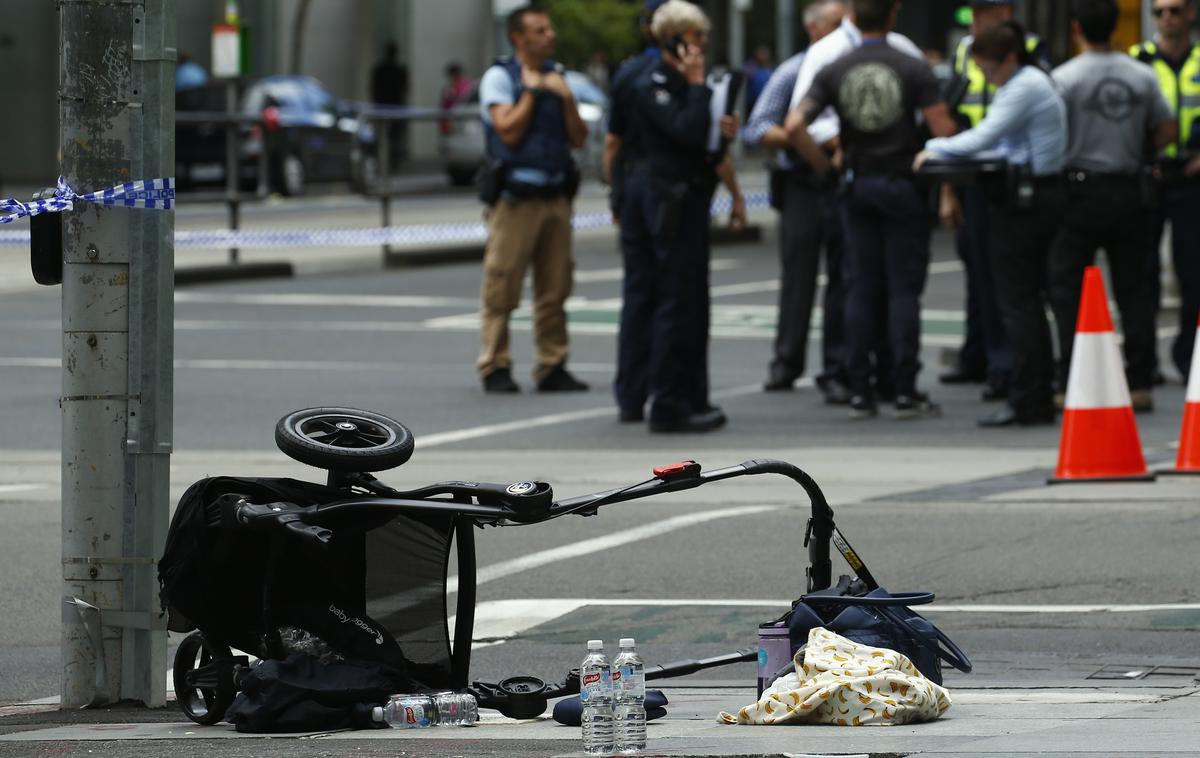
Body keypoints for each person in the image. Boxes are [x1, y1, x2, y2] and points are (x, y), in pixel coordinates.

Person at [788, 0, 958, 420]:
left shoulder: (836, 67)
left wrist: (827, 166)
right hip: (902, 184)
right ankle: (903, 387)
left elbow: (794, 126)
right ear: (894, 15)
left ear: (852, 18)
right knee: (902, 290)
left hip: (858, 185)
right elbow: (943, 132)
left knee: (860, 288)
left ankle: (859, 387)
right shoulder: (912, 65)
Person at [917, 20, 1068, 427]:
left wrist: (932, 148)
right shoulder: (1030, 82)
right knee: (1028, 303)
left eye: (988, 69)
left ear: (1009, 58)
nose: (986, 77)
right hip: (1036, 195)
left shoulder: (1023, 86)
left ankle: (1028, 399)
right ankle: (1035, 393)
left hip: (1028, 203)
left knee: (1018, 303)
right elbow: (1003, 144)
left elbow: (983, 137)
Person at [609, 0, 745, 425]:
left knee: (655, 297)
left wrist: (719, 129)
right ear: (673, 39)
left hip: (656, 193)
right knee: (675, 298)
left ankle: (652, 395)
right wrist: (700, 86)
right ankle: (669, 402)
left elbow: (699, 139)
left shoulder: (651, 77)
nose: (703, 44)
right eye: (696, 36)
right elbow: (682, 130)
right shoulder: (654, 80)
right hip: (665, 196)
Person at [1049, 0, 1177, 413]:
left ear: (1076, 29)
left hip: (1079, 191)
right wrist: (1137, 148)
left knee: (1069, 291)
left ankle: (1071, 379)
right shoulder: (1140, 76)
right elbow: (1167, 129)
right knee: (1135, 290)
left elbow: (1053, 136)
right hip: (1129, 189)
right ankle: (1139, 380)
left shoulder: (1064, 78)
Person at [938, 0, 1052, 401]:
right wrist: (948, 189)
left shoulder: (1028, 53)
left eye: (984, 10)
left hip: (1006, 177)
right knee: (977, 271)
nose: (976, 17)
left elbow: (988, 132)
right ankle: (980, 357)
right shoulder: (963, 51)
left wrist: (937, 149)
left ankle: (1007, 367)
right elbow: (950, 113)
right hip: (971, 174)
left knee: (1006, 283)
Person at [475, 6, 590, 394]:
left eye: (549, 29)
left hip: (555, 196)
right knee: (502, 283)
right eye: (541, 31)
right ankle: (495, 364)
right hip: (515, 199)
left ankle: (552, 363)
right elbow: (506, 130)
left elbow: (578, 137)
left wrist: (566, 97)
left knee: (555, 286)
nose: (550, 35)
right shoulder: (499, 77)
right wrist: (532, 91)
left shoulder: (559, 77)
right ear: (519, 38)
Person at [743, 0, 852, 402]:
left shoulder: (851, 67)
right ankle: (786, 362)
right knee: (799, 278)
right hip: (802, 183)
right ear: (814, 29)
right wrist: (803, 138)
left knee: (844, 277)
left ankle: (838, 366)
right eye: (837, 24)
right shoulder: (794, 71)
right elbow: (758, 128)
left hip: (840, 181)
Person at [1132, 0, 1200, 383]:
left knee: (1194, 273)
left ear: (1190, 13)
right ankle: (1144, 363)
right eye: (1159, 12)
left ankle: (1190, 356)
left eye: (1174, 10)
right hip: (1150, 176)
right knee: (1142, 274)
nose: (1167, 18)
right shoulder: (1137, 61)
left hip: (1193, 179)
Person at [371, 42, 410, 165]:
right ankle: (392, 159)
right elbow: (407, 89)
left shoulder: (379, 69)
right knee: (395, 136)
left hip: (382, 105)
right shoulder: (400, 69)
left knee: (384, 134)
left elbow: (373, 87)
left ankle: (385, 159)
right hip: (395, 105)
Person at [439, 62, 473, 135]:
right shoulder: (448, 88)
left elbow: (465, 99)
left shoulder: (466, 85)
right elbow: (444, 105)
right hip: (450, 121)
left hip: (463, 119)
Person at [743, 45, 774, 115]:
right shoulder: (751, 65)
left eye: (765, 53)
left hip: (767, 101)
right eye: (761, 53)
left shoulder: (770, 67)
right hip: (753, 102)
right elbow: (743, 75)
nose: (763, 56)